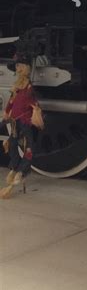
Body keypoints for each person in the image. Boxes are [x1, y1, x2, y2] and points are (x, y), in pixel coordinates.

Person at [1, 55, 43, 195]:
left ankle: (20, 170)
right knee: (12, 145)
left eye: (19, 66)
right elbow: (12, 102)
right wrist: (6, 112)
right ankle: (15, 168)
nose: (17, 69)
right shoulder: (17, 86)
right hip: (15, 121)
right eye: (17, 66)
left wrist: (35, 110)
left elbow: (32, 103)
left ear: (25, 68)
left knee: (29, 148)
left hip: (24, 122)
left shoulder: (29, 87)